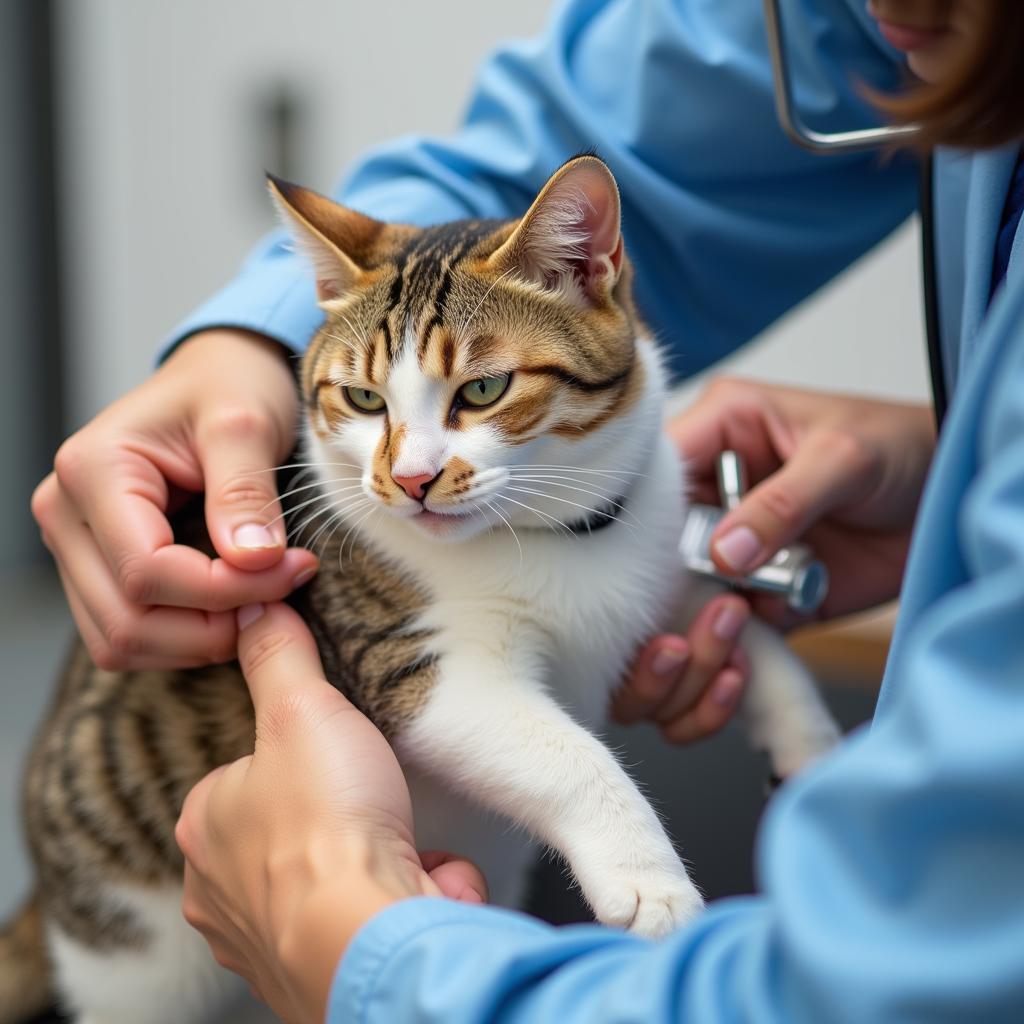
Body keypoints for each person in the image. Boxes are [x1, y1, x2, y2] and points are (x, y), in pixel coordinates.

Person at [33, 0, 1024, 1020]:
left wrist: (362, 951)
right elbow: (595, 123)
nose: (408, 470)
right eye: (365, 404)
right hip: (152, 846)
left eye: (475, 395)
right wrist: (238, 341)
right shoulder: (376, 508)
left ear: (590, 275)